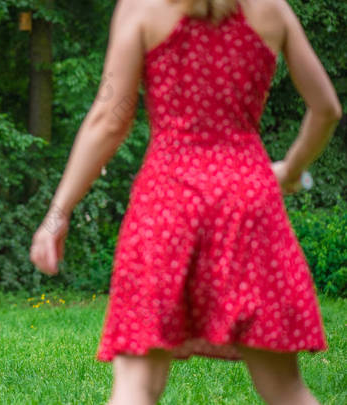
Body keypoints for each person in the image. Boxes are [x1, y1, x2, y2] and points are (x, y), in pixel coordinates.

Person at [30, 0, 341, 403]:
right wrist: (292, 170)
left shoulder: (142, 9)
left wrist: (58, 214)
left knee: (135, 389)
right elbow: (326, 109)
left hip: (166, 201)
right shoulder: (270, 9)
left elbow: (111, 119)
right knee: (287, 390)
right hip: (248, 198)